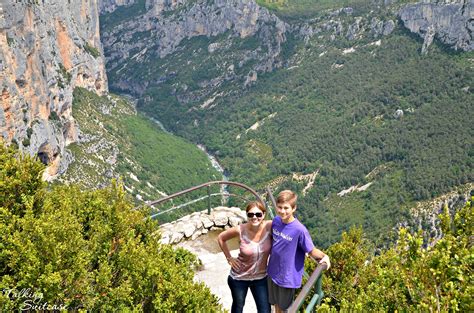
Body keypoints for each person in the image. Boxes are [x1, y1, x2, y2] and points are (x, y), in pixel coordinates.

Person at [267, 190, 330, 313]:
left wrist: (324, 256)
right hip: (272, 272)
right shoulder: (276, 221)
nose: (282, 211)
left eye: (286, 208)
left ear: (294, 208)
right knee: (276, 306)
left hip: (286, 277)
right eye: (279, 207)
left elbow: (311, 250)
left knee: (286, 309)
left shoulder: (299, 230)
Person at [217, 201, 272, 313]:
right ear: (246, 215)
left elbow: (288, 226)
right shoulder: (240, 230)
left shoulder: (269, 226)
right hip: (239, 278)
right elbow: (221, 238)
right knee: (238, 307)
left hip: (260, 278)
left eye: (258, 214)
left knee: (265, 310)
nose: (254, 217)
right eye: (250, 214)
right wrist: (229, 258)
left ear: (264, 214)